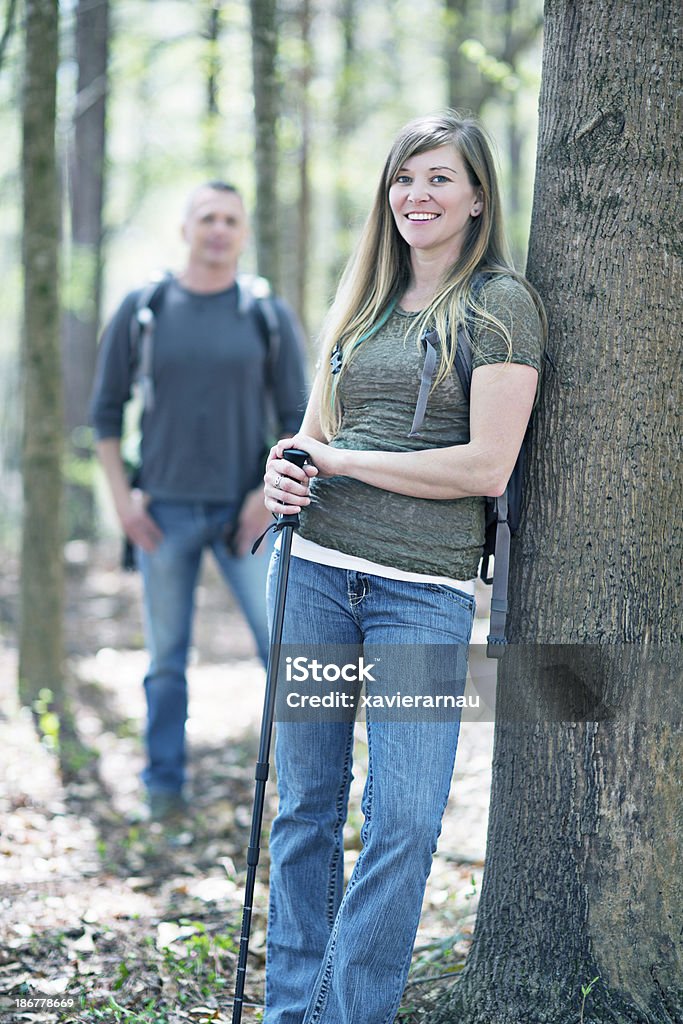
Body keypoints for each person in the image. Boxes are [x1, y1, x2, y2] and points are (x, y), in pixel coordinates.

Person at [261, 111, 547, 1023]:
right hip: (311, 572)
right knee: (305, 809)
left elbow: (485, 468)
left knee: (407, 820)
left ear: (475, 199)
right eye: (403, 179)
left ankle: (348, 1013)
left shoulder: (501, 303)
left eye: (437, 179)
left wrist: (341, 461)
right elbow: (319, 434)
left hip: (418, 596)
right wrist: (287, 468)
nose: (415, 196)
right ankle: (288, 1010)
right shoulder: (363, 302)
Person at [89, 181, 307, 820]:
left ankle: (304, 790)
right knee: (166, 659)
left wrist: (262, 498)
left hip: (248, 517)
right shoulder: (146, 306)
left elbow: (299, 417)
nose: (218, 229)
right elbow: (104, 415)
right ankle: (163, 788)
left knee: (287, 649)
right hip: (162, 515)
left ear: (243, 232)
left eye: (230, 220)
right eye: (207, 217)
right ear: (185, 227)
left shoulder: (263, 311)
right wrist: (123, 503)